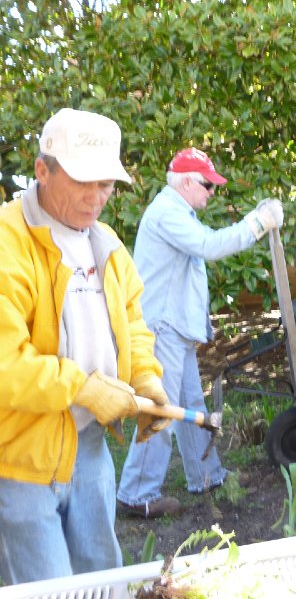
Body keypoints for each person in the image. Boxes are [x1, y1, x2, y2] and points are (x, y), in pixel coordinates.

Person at [0, 108, 172, 584]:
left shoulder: (106, 243)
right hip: (20, 458)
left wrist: (145, 379)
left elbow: (132, 325)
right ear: (42, 170)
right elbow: (6, 365)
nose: (96, 198)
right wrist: (84, 388)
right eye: (83, 182)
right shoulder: (7, 242)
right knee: (49, 590)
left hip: (90, 448)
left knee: (102, 581)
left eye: (106, 185)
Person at [116, 148, 283, 518]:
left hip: (174, 326)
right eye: (208, 185)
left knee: (191, 406)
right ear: (187, 182)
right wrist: (258, 223)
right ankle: (136, 494)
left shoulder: (179, 212)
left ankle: (206, 476)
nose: (212, 192)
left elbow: (189, 266)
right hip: (161, 328)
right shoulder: (167, 212)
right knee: (162, 410)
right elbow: (208, 246)